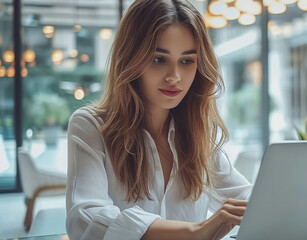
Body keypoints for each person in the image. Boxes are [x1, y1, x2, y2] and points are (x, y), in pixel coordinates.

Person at [65, 0, 252, 239]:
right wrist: (194, 232)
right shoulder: (90, 125)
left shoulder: (197, 133)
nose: (174, 77)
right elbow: (85, 217)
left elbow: (247, 198)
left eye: (187, 61)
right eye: (158, 59)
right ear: (130, 59)